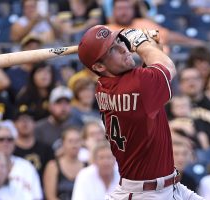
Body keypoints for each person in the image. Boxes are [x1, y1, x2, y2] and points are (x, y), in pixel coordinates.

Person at [77, 25, 203, 199]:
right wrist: (141, 43)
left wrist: (151, 45)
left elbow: (152, 66)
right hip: (147, 193)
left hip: (166, 186)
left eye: (119, 40)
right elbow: (167, 66)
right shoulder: (136, 85)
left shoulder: (103, 86)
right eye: (112, 49)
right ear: (99, 66)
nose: (124, 48)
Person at [43, 126, 86, 200]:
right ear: (63, 143)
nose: (74, 145)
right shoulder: (53, 166)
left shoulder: (87, 166)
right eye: (70, 141)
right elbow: (50, 196)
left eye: (77, 141)